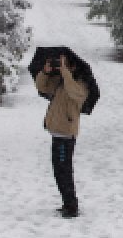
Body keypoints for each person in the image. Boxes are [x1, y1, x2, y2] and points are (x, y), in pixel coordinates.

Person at [35, 54, 88, 218]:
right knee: (58, 170)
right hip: (56, 132)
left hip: (66, 134)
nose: (62, 66)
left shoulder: (81, 84)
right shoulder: (59, 81)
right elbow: (42, 87)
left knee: (64, 171)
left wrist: (66, 73)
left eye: (66, 64)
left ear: (73, 66)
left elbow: (76, 93)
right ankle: (67, 202)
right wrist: (45, 71)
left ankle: (71, 206)